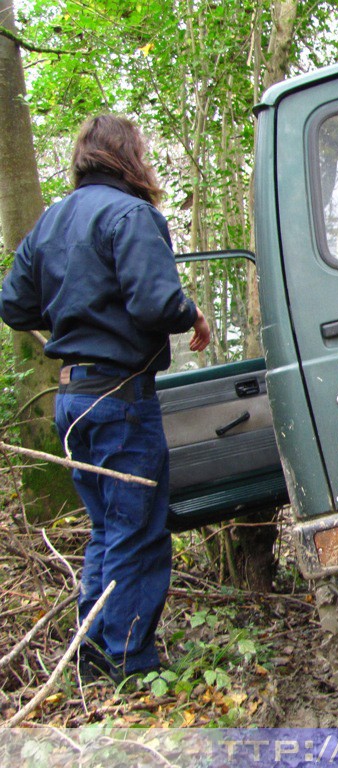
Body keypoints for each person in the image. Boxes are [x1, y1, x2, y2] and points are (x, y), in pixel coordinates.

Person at [0, 114, 211, 682]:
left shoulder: (50, 222)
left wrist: (76, 315)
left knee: (107, 530)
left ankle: (94, 656)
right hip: (118, 398)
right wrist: (190, 311)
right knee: (136, 532)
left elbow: (13, 305)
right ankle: (127, 663)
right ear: (129, 155)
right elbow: (155, 305)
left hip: (71, 400)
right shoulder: (132, 215)